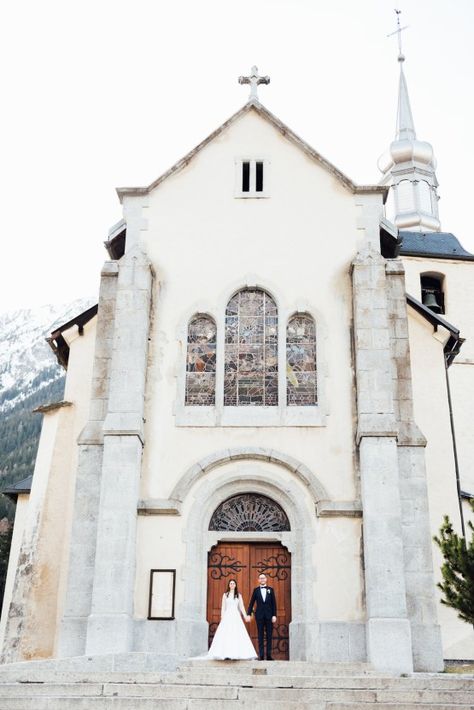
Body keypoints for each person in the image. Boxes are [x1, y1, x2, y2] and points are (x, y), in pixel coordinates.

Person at [206, 578, 257, 660]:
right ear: (229, 585)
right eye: (231, 583)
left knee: (236, 634)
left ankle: (236, 654)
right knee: (226, 634)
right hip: (227, 616)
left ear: (235, 585)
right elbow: (223, 607)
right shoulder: (225, 595)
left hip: (236, 616)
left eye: (233, 583)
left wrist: (245, 616)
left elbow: (241, 607)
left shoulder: (238, 595)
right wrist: (222, 617)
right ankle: (226, 653)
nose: (232, 585)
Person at [246, 573, 277, 660]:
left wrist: (274, 615)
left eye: (263, 578)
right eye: (260, 578)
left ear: (266, 579)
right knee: (260, 635)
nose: (262, 579)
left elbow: (274, 604)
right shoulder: (256, 590)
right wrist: (248, 614)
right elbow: (251, 603)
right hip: (259, 616)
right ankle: (261, 655)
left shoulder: (271, 590)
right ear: (258, 580)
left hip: (269, 616)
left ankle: (269, 655)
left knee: (269, 636)